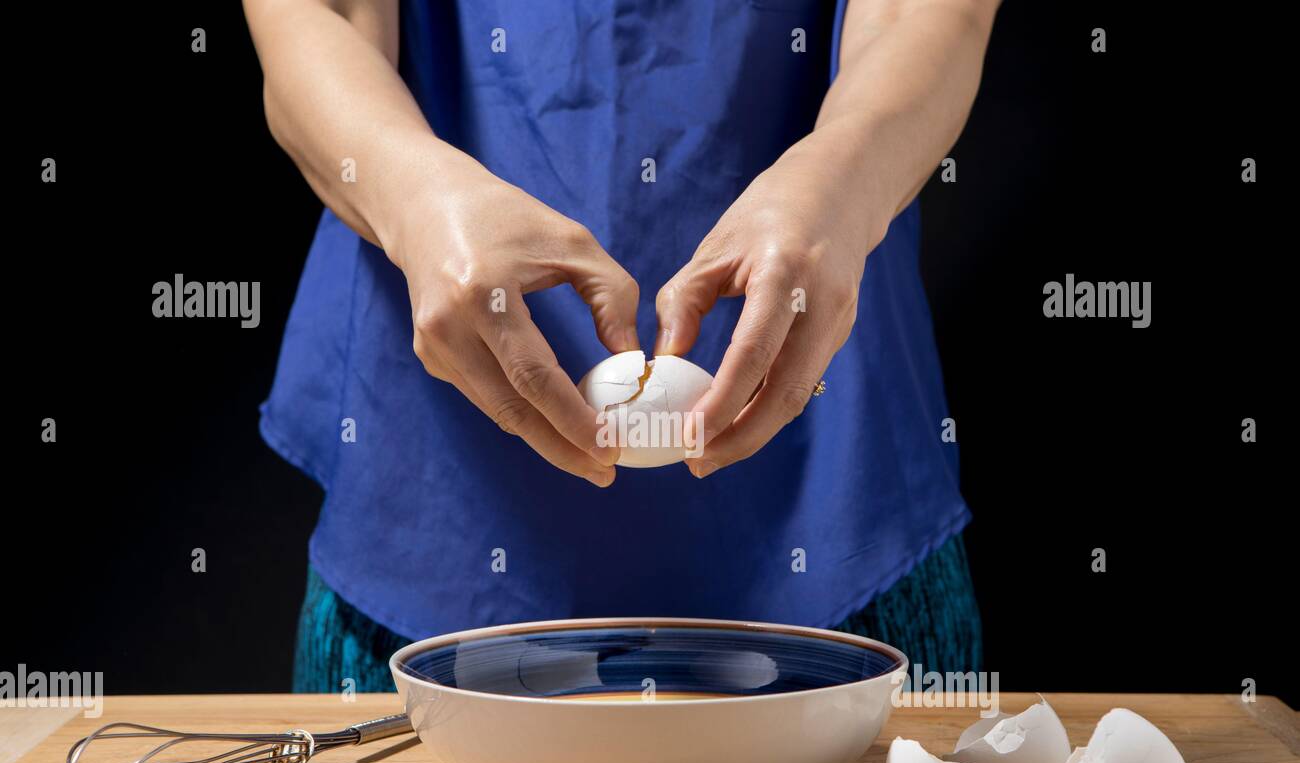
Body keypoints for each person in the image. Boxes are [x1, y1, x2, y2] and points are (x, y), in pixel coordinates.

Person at [244, 0, 1000, 692]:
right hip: (432, 488)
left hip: (834, 498)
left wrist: (846, 176)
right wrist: (412, 196)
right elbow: (317, 17)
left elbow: (925, 14)